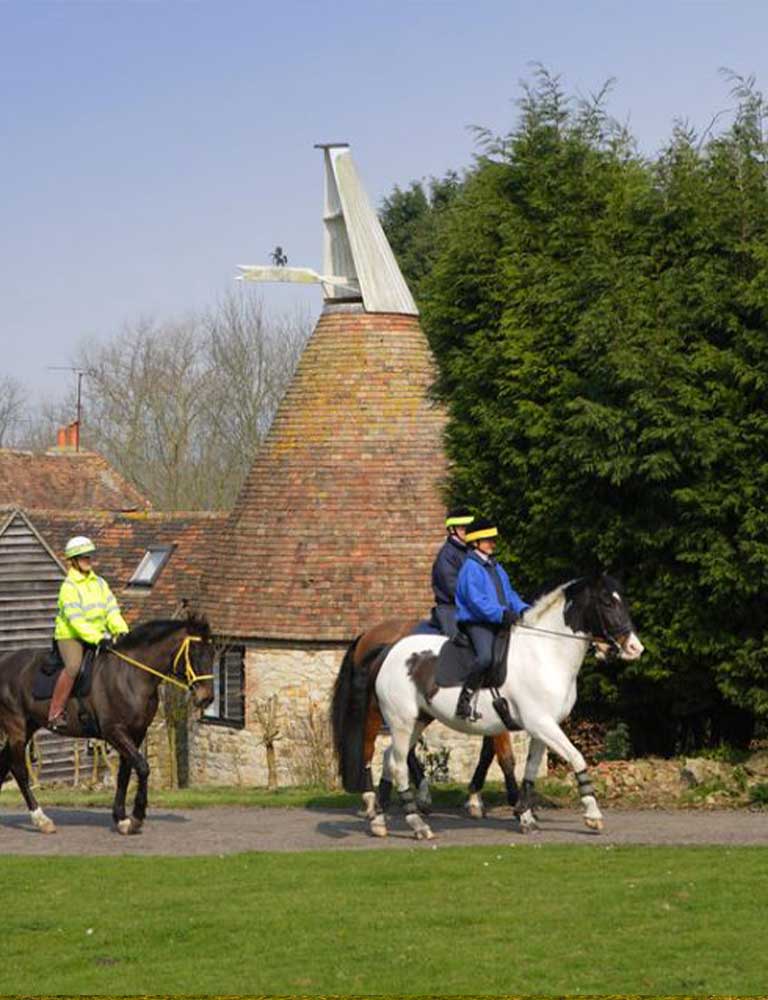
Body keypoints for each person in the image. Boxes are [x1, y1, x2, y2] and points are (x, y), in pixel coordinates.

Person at [49, 535, 129, 731]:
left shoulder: (100, 583)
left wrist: (121, 630)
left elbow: (112, 610)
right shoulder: (69, 587)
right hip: (71, 636)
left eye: (88, 556)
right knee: (74, 666)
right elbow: (76, 621)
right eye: (82, 557)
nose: (87, 560)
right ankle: (55, 712)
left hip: (98, 636)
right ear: (73, 561)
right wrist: (98, 638)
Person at [454, 518, 530, 720]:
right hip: (477, 622)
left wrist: (523, 609)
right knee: (486, 657)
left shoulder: (496, 566)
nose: (493, 544)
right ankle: (464, 700)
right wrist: (501, 614)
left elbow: (509, 594)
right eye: (488, 540)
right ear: (475, 542)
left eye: (492, 540)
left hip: (497, 620)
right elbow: (476, 601)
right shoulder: (470, 568)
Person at [429, 506, 475, 638]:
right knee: (458, 643)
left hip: (471, 606)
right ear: (452, 530)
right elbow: (454, 588)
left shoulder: (472, 551)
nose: (467, 532)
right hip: (451, 609)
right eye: (462, 528)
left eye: (469, 528)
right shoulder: (446, 556)